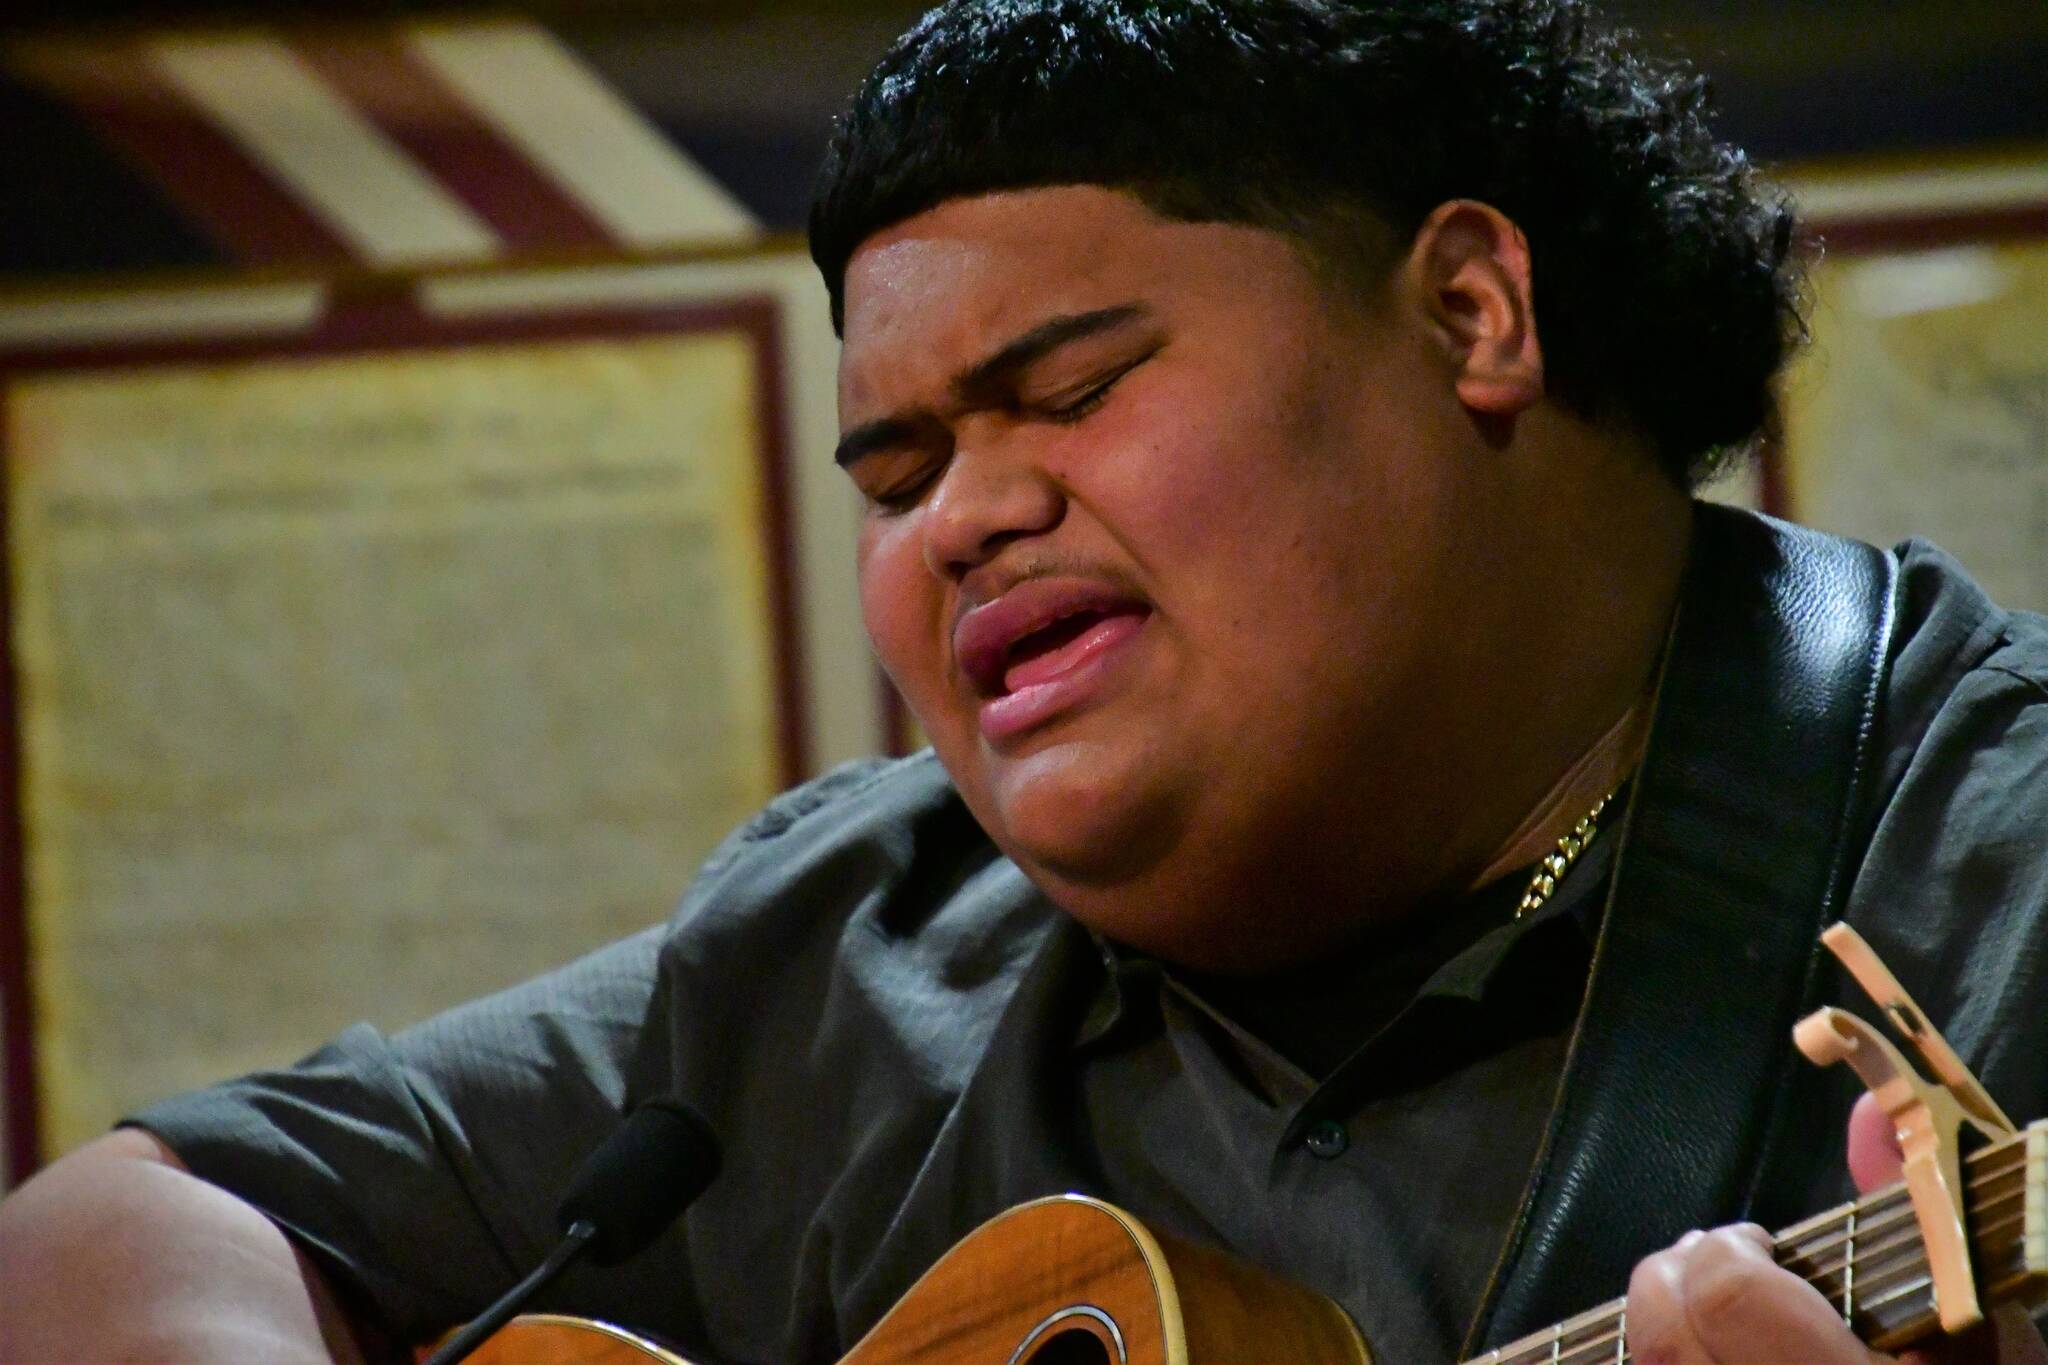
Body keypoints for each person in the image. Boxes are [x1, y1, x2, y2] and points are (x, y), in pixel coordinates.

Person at [4, 1, 2048, 1361]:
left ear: (1467, 310)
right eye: (894, 475)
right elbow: (104, 1234)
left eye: (1067, 389)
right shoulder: (847, 950)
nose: (964, 518)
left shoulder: (2003, 858)